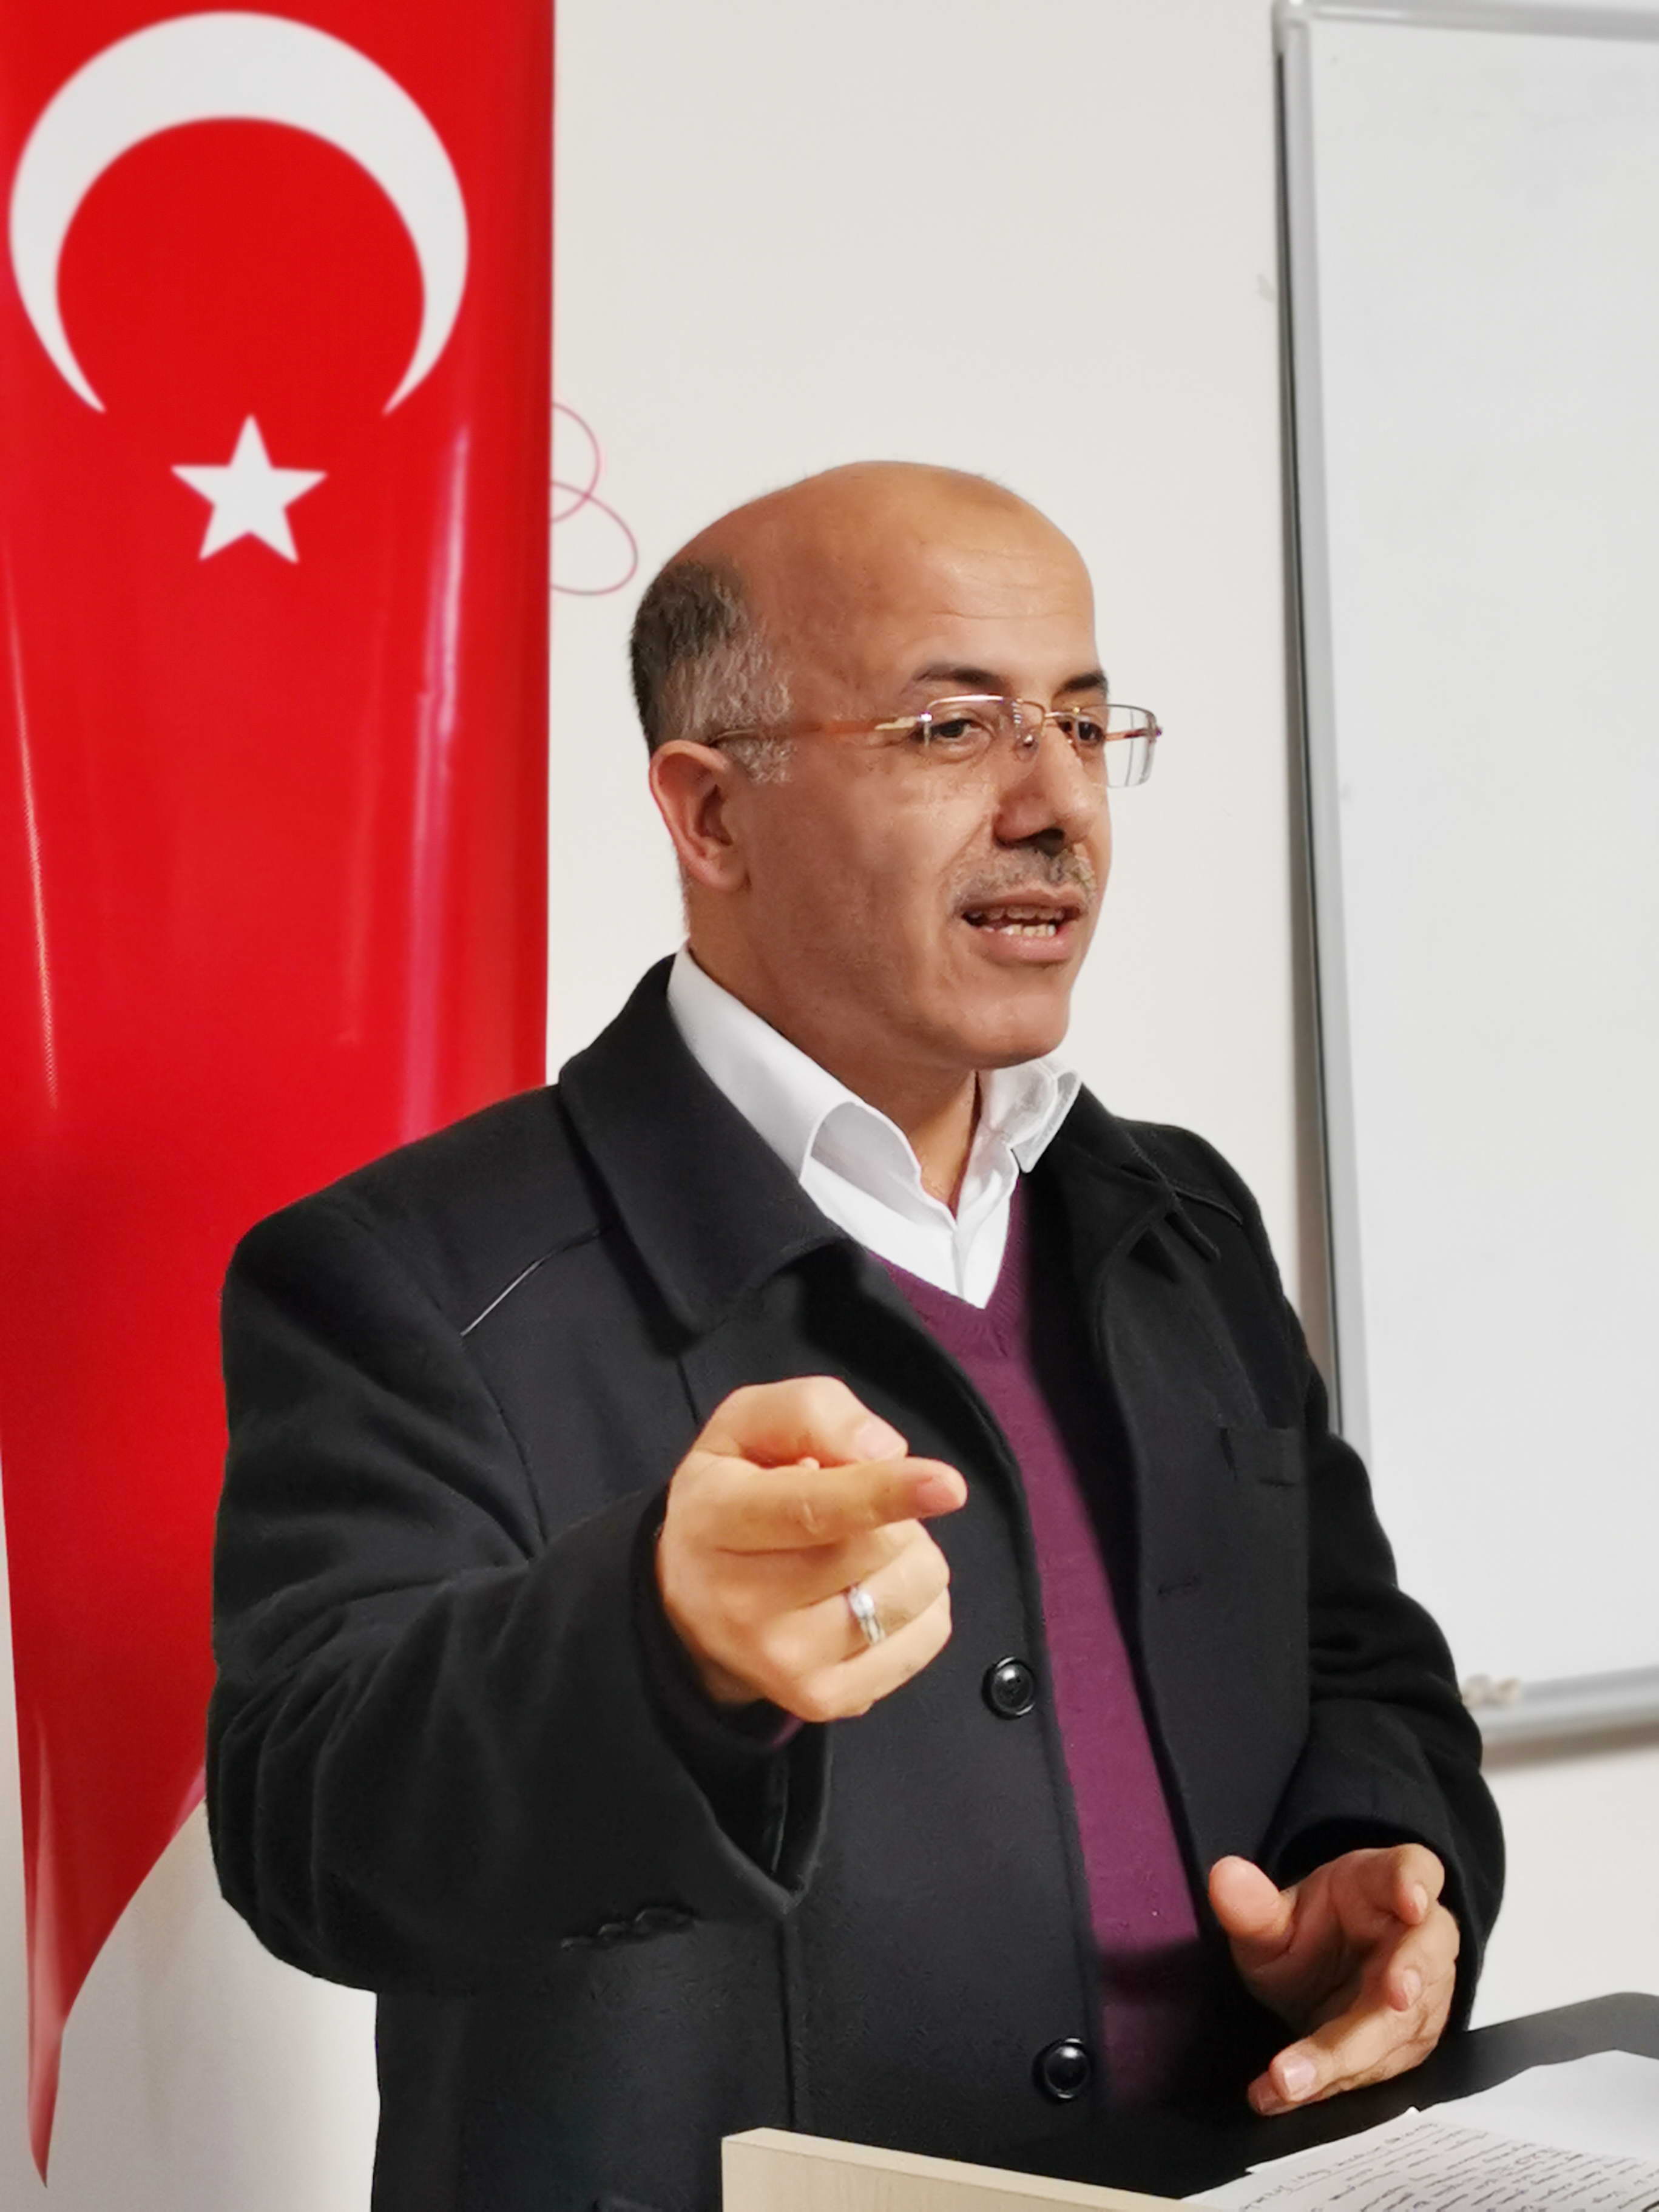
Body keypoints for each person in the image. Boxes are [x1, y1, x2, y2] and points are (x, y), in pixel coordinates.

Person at [208, 462, 1502, 2212]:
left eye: (1084, 722)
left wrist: (1377, 1863)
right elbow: (311, 1835)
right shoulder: (413, 1274)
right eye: (951, 730)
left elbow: (1361, 1665)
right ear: (711, 815)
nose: (1057, 804)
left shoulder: (1180, 1219)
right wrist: (659, 1644)